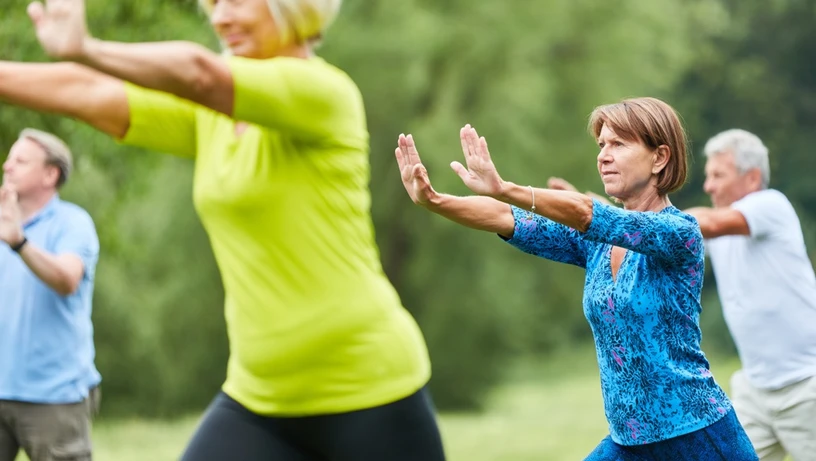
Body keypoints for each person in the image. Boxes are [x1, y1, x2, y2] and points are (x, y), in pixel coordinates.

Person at [0, 0, 446, 460]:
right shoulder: (211, 117)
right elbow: (91, 93)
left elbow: (200, 73)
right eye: (214, 4)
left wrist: (87, 47)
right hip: (260, 396)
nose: (221, 17)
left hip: (370, 390)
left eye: (237, 1)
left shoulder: (324, 92)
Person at [395, 97, 758, 460]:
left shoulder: (679, 232)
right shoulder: (596, 244)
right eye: (601, 145)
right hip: (629, 441)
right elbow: (508, 218)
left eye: (619, 144)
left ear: (659, 157)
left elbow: (588, 213)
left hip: (697, 436)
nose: (604, 156)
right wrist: (434, 201)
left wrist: (505, 187)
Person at [683, 129, 816, 461]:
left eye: (718, 175)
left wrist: (650, 219)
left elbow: (706, 224)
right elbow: (659, 238)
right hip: (754, 392)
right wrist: (597, 214)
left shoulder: (770, 205)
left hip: (807, 386)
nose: (708, 186)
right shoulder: (717, 229)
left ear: (752, 177)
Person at [0, 129, 101, 461]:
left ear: (50, 174)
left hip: (55, 396)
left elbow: (67, 279)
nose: (7, 166)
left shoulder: (73, 223)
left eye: (20, 161)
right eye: (9, 159)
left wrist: (19, 242)